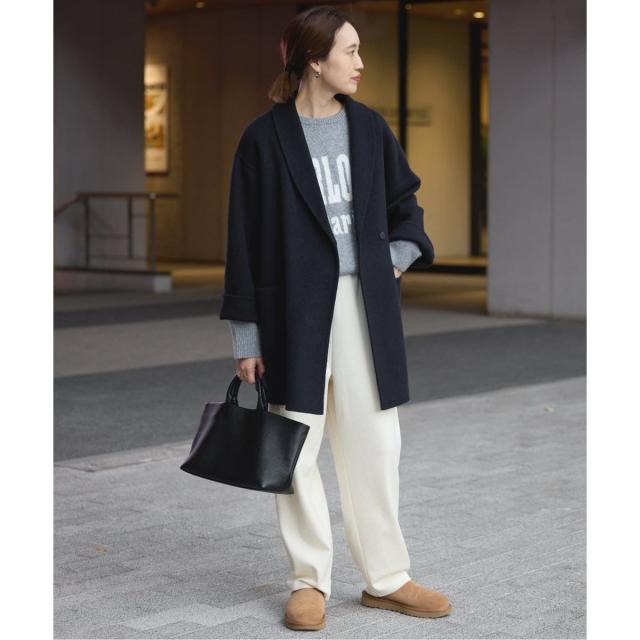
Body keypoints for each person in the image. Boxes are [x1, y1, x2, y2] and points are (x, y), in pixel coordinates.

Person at [221, 5, 452, 631]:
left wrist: (396, 258)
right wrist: (246, 336)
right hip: (293, 312)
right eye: (349, 51)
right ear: (314, 60)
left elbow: (406, 204)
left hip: (364, 306)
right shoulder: (263, 139)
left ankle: (388, 579)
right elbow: (243, 242)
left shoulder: (369, 128)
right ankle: (308, 581)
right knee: (295, 444)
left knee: (376, 443)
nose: (360, 62)